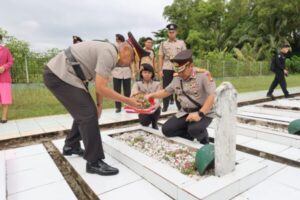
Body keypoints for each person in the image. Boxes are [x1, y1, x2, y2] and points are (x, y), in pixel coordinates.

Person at [43, 34, 144, 176]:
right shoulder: (110, 52)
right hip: (59, 74)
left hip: (67, 75)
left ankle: (71, 145)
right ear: (126, 50)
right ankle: (94, 162)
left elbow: (100, 83)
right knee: (88, 113)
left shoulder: (111, 53)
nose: (129, 64)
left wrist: (99, 104)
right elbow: (101, 88)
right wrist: (129, 101)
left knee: (86, 112)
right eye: (132, 60)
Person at [145, 50, 216, 144]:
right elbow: (167, 91)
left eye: (182, 70)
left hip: (204, 111)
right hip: (185, 112)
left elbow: (212, 95)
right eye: (178, 70)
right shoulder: (177, 77)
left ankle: (204, 140)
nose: (180, 73)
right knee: (167, 130)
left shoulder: (203, 75)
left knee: (195, 129)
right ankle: (189, 136)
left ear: (190, 66)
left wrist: (199, 114)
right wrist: (152, 95)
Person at [158, 23, 186, 112]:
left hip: (179, 68)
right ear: (168, 33)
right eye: (170, 32)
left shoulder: (181, 43)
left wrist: (184, 68)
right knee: (166, 87)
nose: (171, 34)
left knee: (179, 87)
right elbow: (160, 57)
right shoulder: (163, 44)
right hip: (167, 67)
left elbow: (185, 56)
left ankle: (180, 106)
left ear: (176, 32)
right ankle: (165, 106)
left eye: (173, 32)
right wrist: (160, 69)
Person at [131, 63, 161, 129]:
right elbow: (133, 95)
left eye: (149, 72)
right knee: (144, 122)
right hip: (142, 106)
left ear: (152, 74)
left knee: (157, 108)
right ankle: (146, 119)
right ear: (141, 73)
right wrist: (139, 98)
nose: (147, 74)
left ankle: (154, 123)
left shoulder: (157, 83)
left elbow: (158, 97)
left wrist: (152, 107)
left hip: (154, 106)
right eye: (145, 72)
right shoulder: (137, 83)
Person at [112, 34, 135, 113]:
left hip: (126, 70)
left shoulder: (128, 47)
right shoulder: (114, 48)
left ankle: (128, 105)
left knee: (127, 91)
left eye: (117, 39)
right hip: (117, 71)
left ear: (120, 40)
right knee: (116, 91)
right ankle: (118, 107)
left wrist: (133, 72)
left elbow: (131, 61)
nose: (116, 41)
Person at [0, 34, 14, 123]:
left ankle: (4, 118)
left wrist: (4, 67)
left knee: (5, 98)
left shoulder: (6, 50)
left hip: (4, 78)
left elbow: (11, 61)